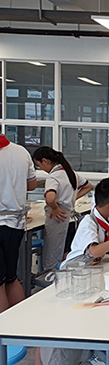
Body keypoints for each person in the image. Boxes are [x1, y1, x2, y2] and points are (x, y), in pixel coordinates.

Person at [37, 179, 109, 365]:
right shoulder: (89, 223)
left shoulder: (107, 222)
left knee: (80, 327)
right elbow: (93, 251)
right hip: (70, 278)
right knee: (52, 329)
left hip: (88, 277)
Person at [32, 146, 93, 270]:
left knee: (53, 256)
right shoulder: (70, 173)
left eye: (39, 165)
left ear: (45, 161)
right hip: (71, 220)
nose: (40, 169)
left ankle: (51, 279)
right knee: (67, 254)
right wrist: (72, 198)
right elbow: (89, 186)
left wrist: (54, 208)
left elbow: (50, 199)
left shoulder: (53, 177)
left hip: (59, 219)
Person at [0, 134, 36, 313]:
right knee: (11, 278)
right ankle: (20, 325)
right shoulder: (21, 152)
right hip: (15, 224)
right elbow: (32, 185)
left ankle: (4, 329)